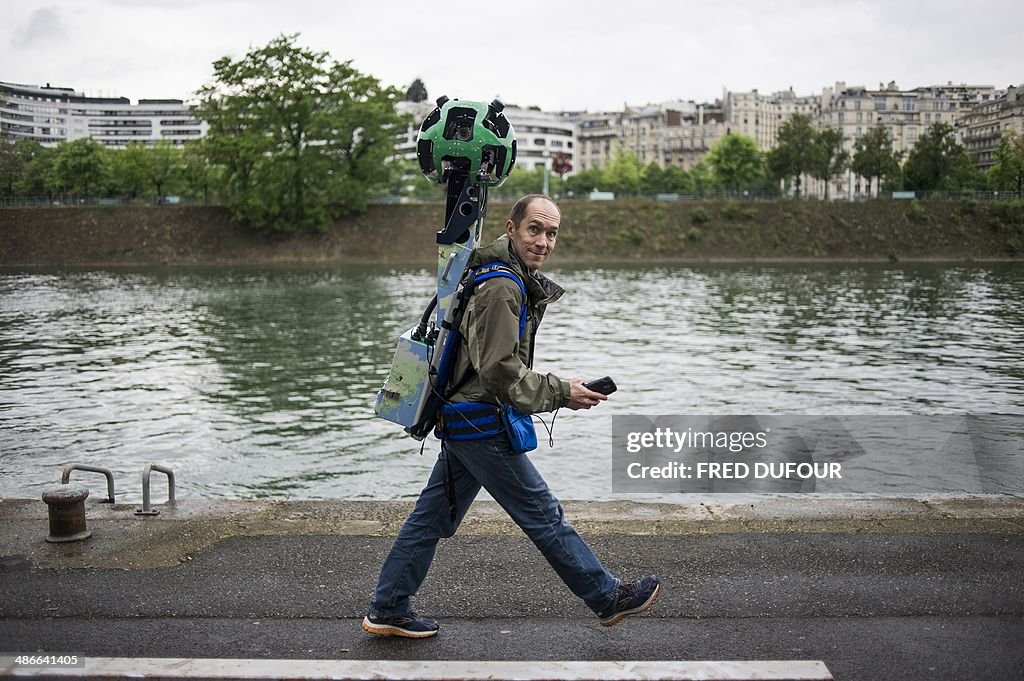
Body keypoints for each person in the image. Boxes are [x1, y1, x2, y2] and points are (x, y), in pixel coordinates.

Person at [362, 194, 661, 638]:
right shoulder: (503, 285)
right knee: (544, 514)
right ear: (512, 228)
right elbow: (500, 372)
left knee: (429, 519)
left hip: (461, 418)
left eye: (552, 233)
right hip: (481, 424)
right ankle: (605, 596)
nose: (543, 241)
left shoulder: (494, 274)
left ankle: (387, 608)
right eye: (534, 229)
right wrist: (563, 392)